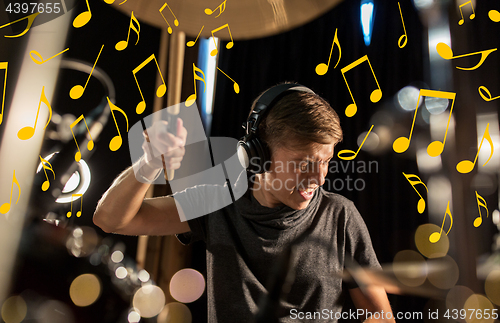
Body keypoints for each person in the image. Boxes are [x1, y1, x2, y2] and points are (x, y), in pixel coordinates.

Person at [93, 83, 395, 322]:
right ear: (257, 154)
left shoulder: (340, 215)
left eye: (326, 161)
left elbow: (380, 314)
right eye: (303, 164)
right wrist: (148, 166)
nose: (319, 178)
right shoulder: (217, 201)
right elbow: (111, 219)